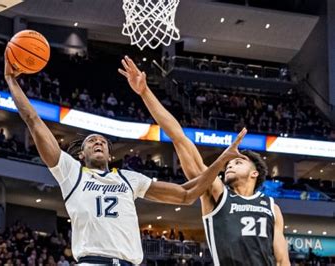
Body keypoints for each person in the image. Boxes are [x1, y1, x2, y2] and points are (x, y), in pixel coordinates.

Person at [4, 53, 248, 265]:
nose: (98, 142)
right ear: (81, 154)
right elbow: (33, 120)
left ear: (111, 155)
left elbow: (186, 194)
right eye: (91, 141)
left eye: (102, 141)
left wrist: (221, 161)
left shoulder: (129, 179)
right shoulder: (71, 173)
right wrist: (11, 81)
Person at [119, 56, 290, 266]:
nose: (229, 165)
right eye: (229, 163)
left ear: (255, 173)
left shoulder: (272, 207)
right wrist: (145, 92)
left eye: (238, 162)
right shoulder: (217, 191)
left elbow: (282, 260)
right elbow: (179, 137)